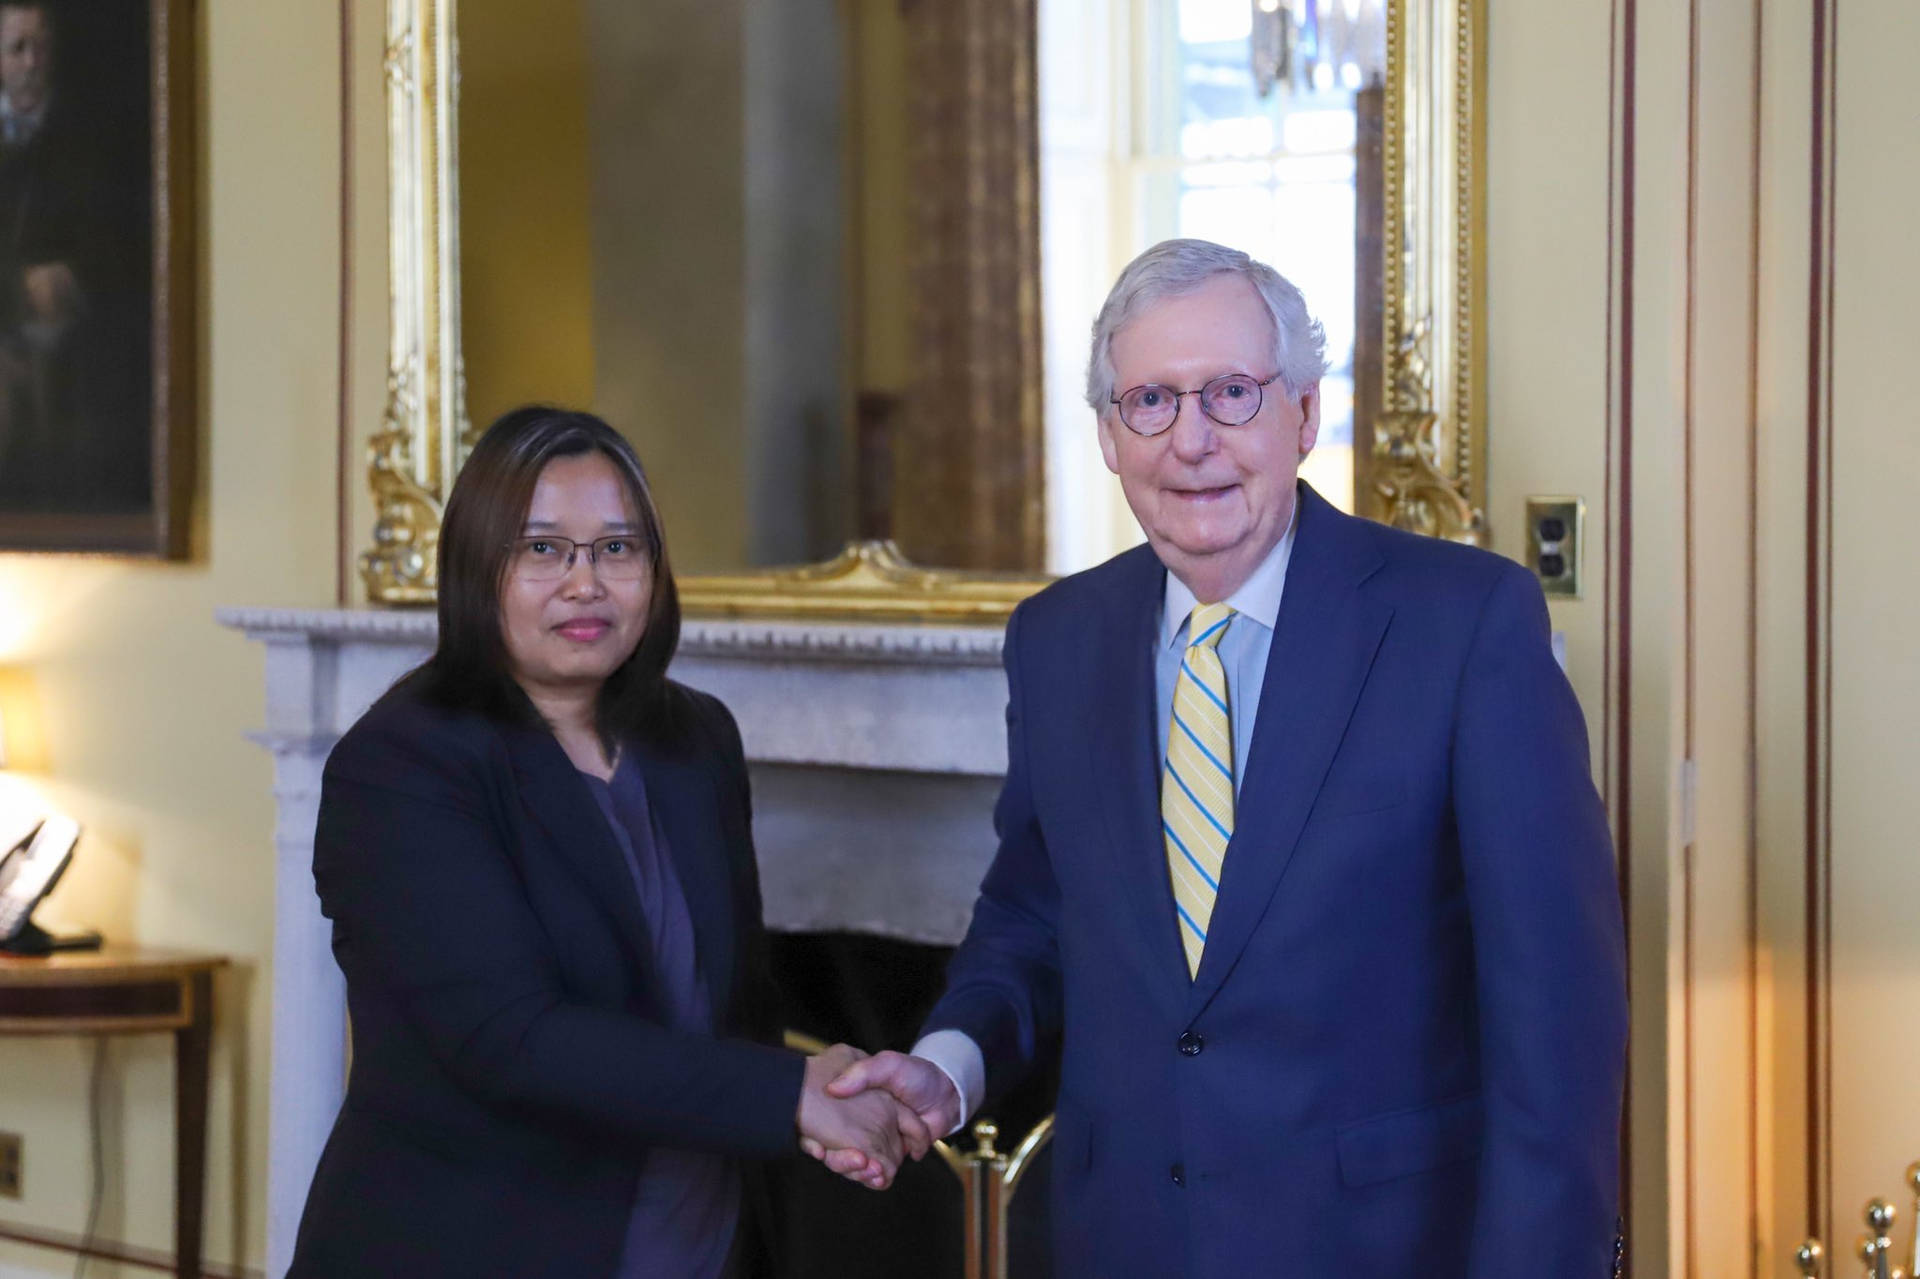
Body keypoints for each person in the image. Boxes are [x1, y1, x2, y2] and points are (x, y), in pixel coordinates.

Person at [825, 239, 1629, 1274]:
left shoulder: (1464, 623)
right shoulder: (1058, 638)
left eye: (1232, 394)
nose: (1190, 440)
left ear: (1303, 412)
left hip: (1386, 1246)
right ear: (1110, 437)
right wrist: (949, 1065)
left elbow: (1557, 1019)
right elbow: (1032, 918)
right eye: (1149, 400)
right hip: (1125, 1240)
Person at [289, 407, 914, 1278]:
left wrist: (831, 1089)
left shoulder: (696, 739)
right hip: (478, 1246)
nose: (585, 583)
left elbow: (728, 1008)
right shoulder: (402, 764)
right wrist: (790, 1096)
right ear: (478, 565)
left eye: (618, 548)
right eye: (542, 549)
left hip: (699, 1239)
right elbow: (510, 1040)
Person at [0, 0, 149, 513]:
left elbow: (115, 242)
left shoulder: (89, 139)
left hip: (72, 326)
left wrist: (71, 278)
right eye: (17, 48)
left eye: (40, 46)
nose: (31, 60)